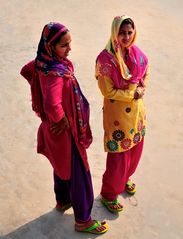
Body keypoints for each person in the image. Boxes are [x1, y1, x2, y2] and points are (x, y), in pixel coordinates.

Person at [20, 22, 108, 234]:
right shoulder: (54, 72)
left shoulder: (43, 62)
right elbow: (52, 103)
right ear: (50, 46)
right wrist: (60, 119)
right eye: (63, 45)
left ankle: (63, 201)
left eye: (70, 44)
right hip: (66, 134)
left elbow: (26, 70)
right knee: (81, 174)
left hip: (51, 132)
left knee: (61, 167)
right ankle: (83, 221)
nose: (69, 49)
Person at [95, 15, 150, 213]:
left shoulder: (137, 54)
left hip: (136, 114)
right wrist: (132, 93)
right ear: (114, 33)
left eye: (129, 32)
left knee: (134, 151)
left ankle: (125, 177)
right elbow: (107, 91)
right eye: (122, 33)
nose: (126, 37)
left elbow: (145, 72)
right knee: (118, 156)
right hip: (118, 117)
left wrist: (141, 87)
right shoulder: (105, 60)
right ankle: (109, 194)